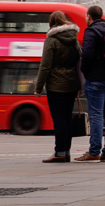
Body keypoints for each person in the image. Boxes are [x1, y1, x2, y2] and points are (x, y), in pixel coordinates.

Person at [34, 11, 82, 163]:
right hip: (72, 83)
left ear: (52, 22)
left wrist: (38, 86)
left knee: (59, 118)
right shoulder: (74, 38)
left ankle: (59, 152)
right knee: (67, 117)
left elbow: (45, 65)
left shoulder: (52, 39)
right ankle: (66, 151)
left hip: (56, 84)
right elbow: (79, 59)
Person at [74, 5, 105, 163]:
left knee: (97, 115)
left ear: (88, 17)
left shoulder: (91, 31)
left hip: (96, 79)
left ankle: (94, 151)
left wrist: (85, 72)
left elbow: (87, 54)